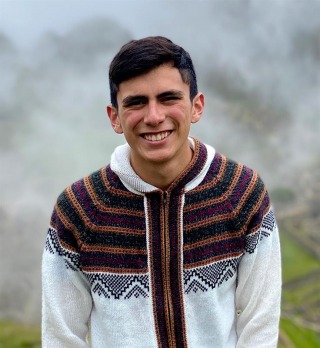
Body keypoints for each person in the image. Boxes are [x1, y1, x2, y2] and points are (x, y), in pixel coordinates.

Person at [42, 36, 281, 347]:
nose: (154, 117)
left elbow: (259, 325)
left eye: (169, 98)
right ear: (114, 117)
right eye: (136, 102)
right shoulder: (79, 209)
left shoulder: (241, 192)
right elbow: (61, 336)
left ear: (197, 107)